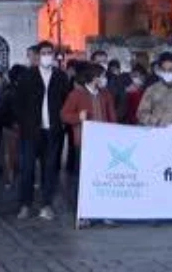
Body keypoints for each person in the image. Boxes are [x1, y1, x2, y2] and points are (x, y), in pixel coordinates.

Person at [13, 40, 71, 222]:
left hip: (53, 132)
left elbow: (66, 101)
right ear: (38, 55)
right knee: (27, 169)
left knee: (50, 169)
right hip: (31, 132)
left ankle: (46, 204)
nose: (47, 56)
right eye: (44, 52)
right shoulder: (27, 76)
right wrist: (24, 123)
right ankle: (25, 205)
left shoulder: (61, 77)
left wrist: (61, 123)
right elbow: (17, 103)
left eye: (50, 53)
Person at [60, 62, 116, 229]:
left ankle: (104, 212)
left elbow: (112, 117)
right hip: (83, 144)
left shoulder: (106, 95)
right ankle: (83, 213)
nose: (104, 79)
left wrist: (115, 135)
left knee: (104, 180)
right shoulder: (77, 95)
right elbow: (64, 115)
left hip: (104, 144)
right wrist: (78, 117)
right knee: (82, 179)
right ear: (94, 78)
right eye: (102, 76)